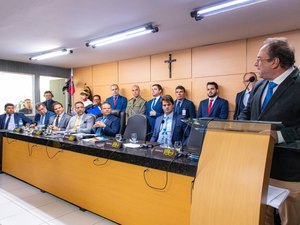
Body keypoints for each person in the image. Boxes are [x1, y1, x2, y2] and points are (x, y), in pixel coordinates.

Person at [239, 37, 300, 225]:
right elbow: (246, 113)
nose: (255, 64)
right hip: (258, 167)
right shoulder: (258, 85)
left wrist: (278, 136)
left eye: (259, 59)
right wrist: (241, 127)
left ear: (275, 62)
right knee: (260, 218)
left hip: (289, 171)